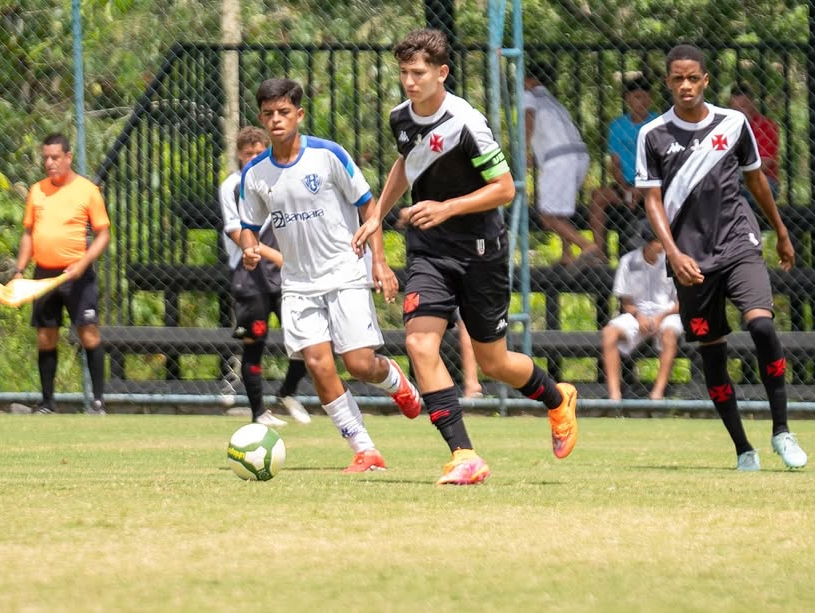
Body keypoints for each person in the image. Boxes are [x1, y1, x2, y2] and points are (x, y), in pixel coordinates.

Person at [353, 29, 579, 485]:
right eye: (404, 73)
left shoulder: (467, 123)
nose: (410, 82)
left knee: (494, 363)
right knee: (420, 344)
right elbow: (406, 162)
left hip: (480, 252)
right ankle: (464, 454)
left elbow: (505, 188)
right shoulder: (400, 117)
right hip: (429, 250)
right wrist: (377, 214)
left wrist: (446, 208)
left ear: (442, 73)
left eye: (418, 73)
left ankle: (558, 398)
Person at [238, 78, 422, 473]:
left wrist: (379, 262)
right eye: (268, 114)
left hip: (344, 272)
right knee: (319, 364)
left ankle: (395, 380)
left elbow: (369, 207)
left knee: (359, 364)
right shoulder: (254, 173)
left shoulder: (327, 155)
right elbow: (248, 225)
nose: (276, 120)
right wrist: (250, 247)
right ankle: (364, 449)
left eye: (284, 112)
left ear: (299, 114)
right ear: (261, 118)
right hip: (298, 284)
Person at [638, 44, 807, 471]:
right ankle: (743, 449)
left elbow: (757, 180)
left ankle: (782, 431)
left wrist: (781, 231)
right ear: (668, 82)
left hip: (738, 241)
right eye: (678, 78)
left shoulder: (733, 123)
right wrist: (673, 254)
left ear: (706, 80)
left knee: (762, 325)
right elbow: (652, 200)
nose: (686, 86)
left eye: (693, 78)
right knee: (713, 354)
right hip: (691, 260)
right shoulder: (652, 134)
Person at [218, 126, 311, 426]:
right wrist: (279, 256)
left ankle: (287, 392)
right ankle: (258, 413)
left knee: (307, 340)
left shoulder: (283, 179)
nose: (254, 158)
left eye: (260, 152)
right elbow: (239, 234)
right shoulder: (232, 186)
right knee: (253, 345)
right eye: (248, 154)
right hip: (250, 277)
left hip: (287, 278)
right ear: (239, 155)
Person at [13, 133, 111, 415]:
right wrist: (19, 271)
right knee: (46, 336)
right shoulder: (37, 191)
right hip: (44, 275)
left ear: (68, 157)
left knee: (88, 333)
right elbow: (28, 233)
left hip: (77, 274)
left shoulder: (87, 191)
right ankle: (47, 403)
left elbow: (104, 234)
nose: (49, 163)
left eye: (55, 157)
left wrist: (82, 263)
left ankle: (98, 402)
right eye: (45, 157)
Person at [522, 62, 603, 266]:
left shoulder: (528, 95)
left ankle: (588, 247)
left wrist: (524, 149)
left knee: (547, 216)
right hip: (578, 156)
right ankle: (567, 254)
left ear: (529, 80)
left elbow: (528, 117)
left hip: (559, 159)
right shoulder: (553, 102)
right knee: (559, 211)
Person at [601, 222, 682, 401]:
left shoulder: (672, 261)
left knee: (669, 333)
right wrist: (639, 316)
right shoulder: (628, 261)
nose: (663, 245)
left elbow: (681, 303)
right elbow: (626, 302)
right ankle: (614, 396)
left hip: (668, 313)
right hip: (636, 314)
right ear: (649, 243)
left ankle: (657, 394)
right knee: (609, 333)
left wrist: (660, 317)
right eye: (658, 241)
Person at [588, 76, 659, 254]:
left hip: (652, 185)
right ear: (628, 99)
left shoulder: (658, 123)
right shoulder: (617, 126)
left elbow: (660, 161)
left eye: (645, 97)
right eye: (637, 97)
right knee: (598, 196)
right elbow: (615, 163)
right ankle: (599, 253)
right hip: (625, 185)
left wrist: (641, 189)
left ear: (650, 99)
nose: (641, 102)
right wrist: (625, 189)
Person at [729, 83, 780, 199]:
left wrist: (734, 172)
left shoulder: (767, 126)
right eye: (735, 108)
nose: (740, 112)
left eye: (743, 107)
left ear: (753, 105)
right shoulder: (727, 128)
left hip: (763, 180)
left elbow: (764, 164)